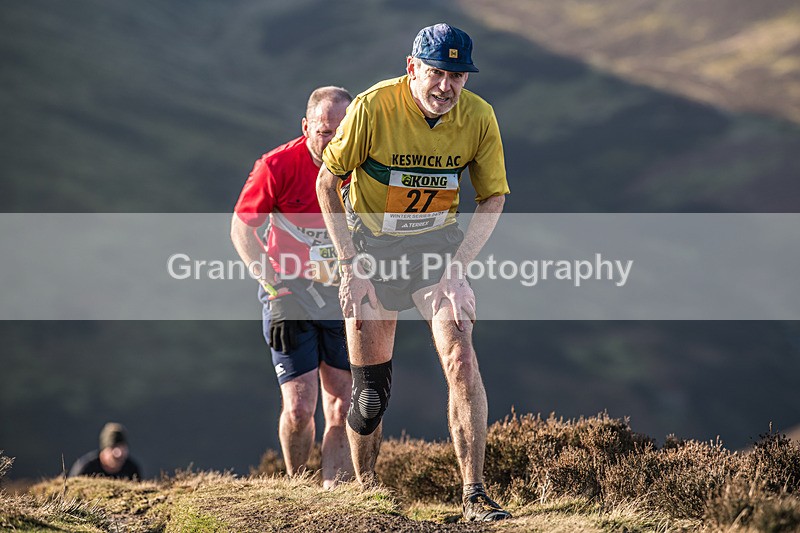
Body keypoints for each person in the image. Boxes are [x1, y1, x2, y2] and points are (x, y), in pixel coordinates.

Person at [316, 24, 511, 521]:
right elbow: (327, 181)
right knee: (369, 396)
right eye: (436, 73)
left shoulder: (479, 117)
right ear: (412, 68)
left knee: (461, 358)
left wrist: (458, 270)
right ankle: (368, 496)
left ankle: (474, 496)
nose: (446, 86)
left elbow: (493, 197)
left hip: (435, 250)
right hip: (370, 250)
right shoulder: (373, 106)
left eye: (457, 76)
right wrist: (349, 266)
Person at [231, 86, 354, 489]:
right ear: (306, 127)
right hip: (290, 294)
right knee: (300, 409)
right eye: (323, 132)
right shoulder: (276, 166)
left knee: (343, 405)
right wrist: (275, 289)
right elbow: (242, 230)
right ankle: (297, 489)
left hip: (341, 293)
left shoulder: (364, 165)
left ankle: (334, 496)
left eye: (341, 132)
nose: (333, 141)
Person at [68, 422, 141, 480]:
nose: (119, 453)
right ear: (104, 450)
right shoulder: (85, 469)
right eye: (113, 447)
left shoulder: (132, 470)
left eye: (122, 447)